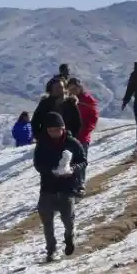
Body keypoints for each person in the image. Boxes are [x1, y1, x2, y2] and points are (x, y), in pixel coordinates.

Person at [33, 112, 87, 262]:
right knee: (46, 220)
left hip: (67, 187)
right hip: (48, 187)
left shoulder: (73, 143)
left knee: (68, 219)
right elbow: (38, 164)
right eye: (50, 130)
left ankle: (69, 237)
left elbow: (83, 161)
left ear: (63, 128)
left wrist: (72, 170)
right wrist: (50, 171)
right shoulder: (42, 144)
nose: (53, 133)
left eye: (56, 130)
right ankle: (51, 250)